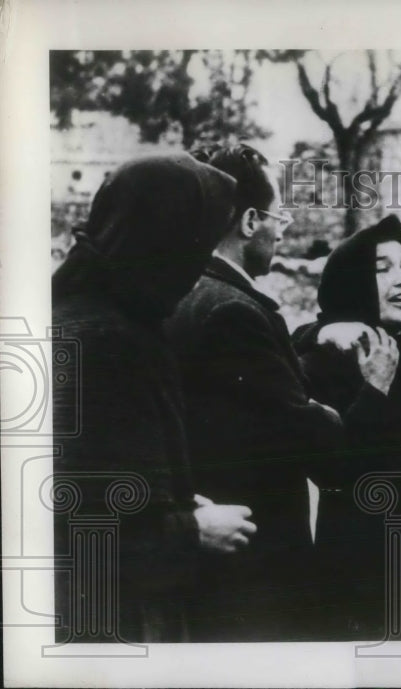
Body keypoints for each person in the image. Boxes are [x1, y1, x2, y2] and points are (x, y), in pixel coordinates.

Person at [164, 144, 392, 641]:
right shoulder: (236, 312)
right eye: (279, 213)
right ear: (249, 221)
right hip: (253, 573)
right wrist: (374, 386)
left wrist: (313, 338)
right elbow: (324, 451)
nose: (284, 225)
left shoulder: (187, 291)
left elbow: (257, 389)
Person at [52, 154, 256, 643]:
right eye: (197, 245)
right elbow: (80, 530)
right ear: (166, 241)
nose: (200, 265)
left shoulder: (99, 313)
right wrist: (193, 530)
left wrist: (175, 502)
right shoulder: (108, 342)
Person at [290, 214, 401, 640]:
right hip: (358, 571)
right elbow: (337, 468)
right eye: (382, 269)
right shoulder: (323, 363)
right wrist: (374, 389)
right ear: (351, 281)